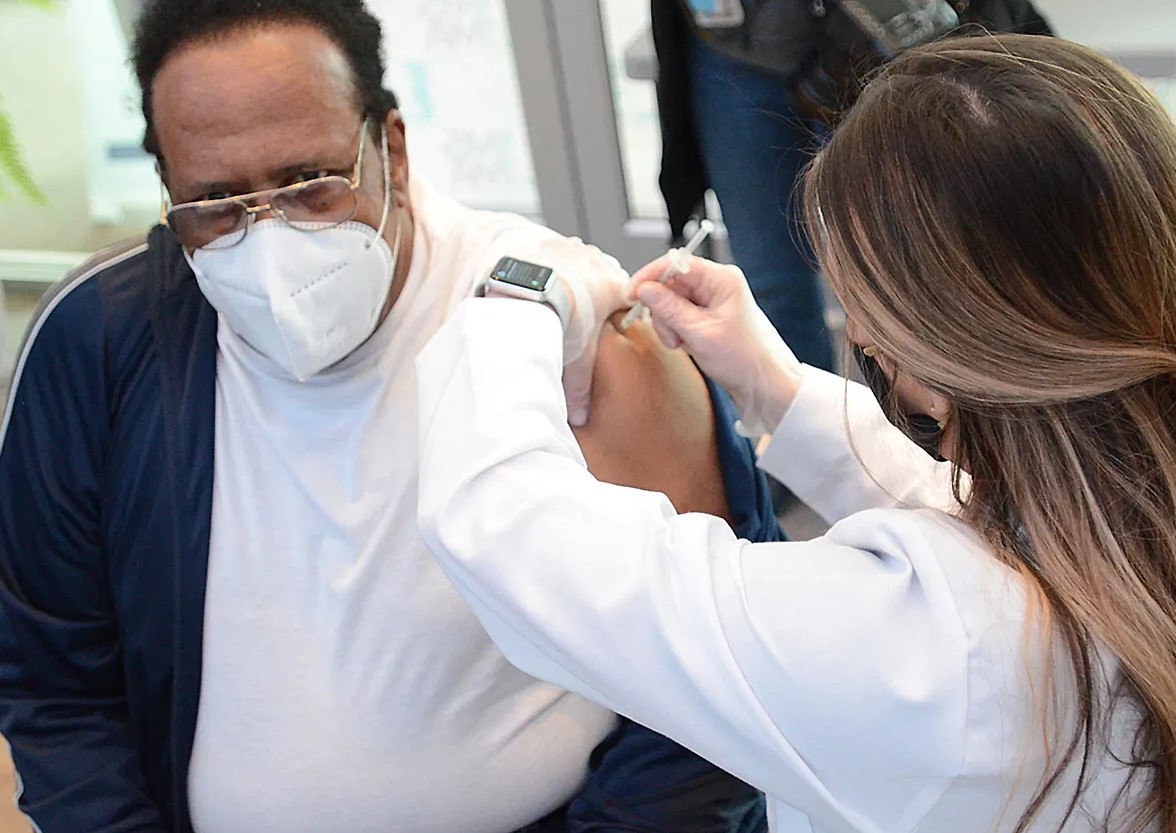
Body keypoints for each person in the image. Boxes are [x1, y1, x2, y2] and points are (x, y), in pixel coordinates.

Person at [0, 1, 779, 831]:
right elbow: (56, 685)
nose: (268, 243)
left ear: (392, 151)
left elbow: (713, 686)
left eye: (310, 183)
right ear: (167, 190)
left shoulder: (568, 337)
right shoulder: (98, 345)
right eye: (216, 202)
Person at [417, 34, 1176, 833]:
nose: (860, 337)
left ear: (939, 357)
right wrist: (771, 384)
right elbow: (975, 515)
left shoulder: (936, 654)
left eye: (864, 316)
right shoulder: (1122, 525)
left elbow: (511, 536)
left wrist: (521, 290)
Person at [650, 0, 1054, 372]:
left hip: (880, 32)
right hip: (734, 42)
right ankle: (803, 422)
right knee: (771, 285)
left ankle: (931, 420)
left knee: (908, 282)